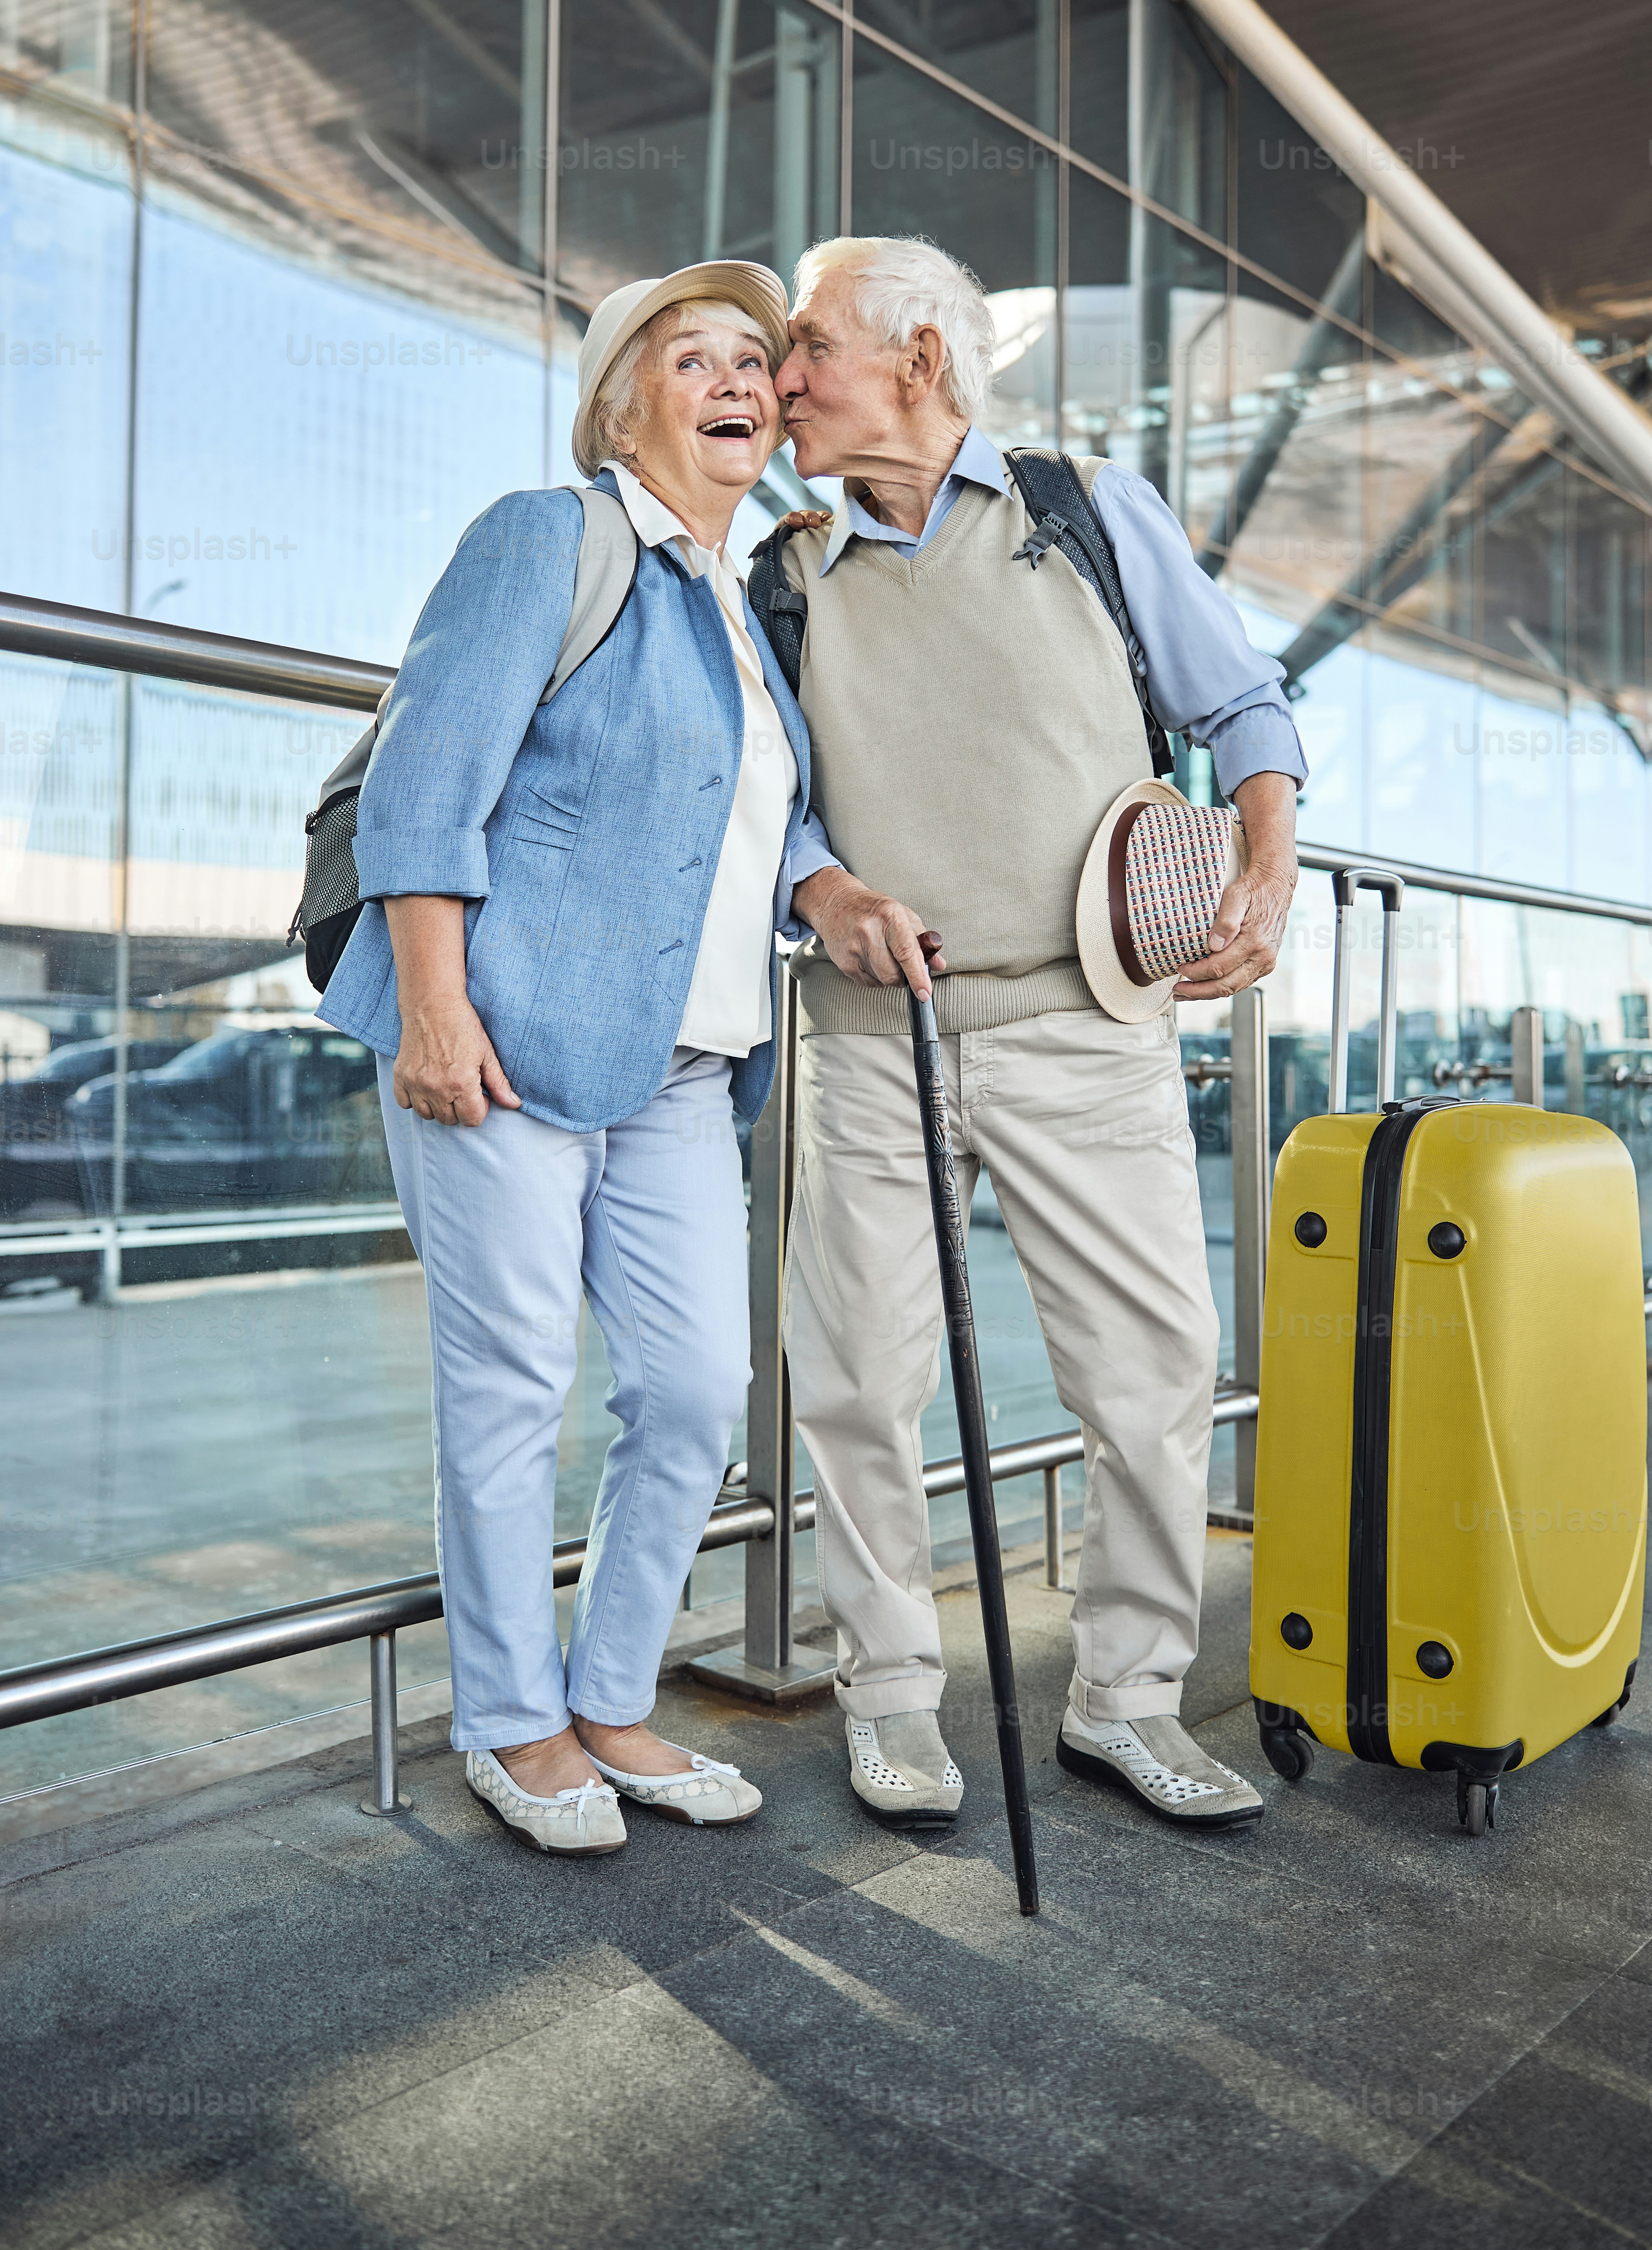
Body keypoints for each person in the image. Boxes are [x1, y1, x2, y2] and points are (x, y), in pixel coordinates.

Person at [775, 235, 1308, 1832]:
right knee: (863, 1386)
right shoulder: (781, 576)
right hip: (875, 1037)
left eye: (806, 347)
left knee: (1153, 1373)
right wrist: (824, 888)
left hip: (1090, 1028)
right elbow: (770, 805)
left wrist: (1265, 870)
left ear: (920, 361)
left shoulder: (1083, 511)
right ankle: (887, 1699)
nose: (779, 378)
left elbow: (1244, 709)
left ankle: (1127, 1699)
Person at [317, 261, 837, 1855]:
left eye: (756, 357)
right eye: (696, 358)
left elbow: (751, 821)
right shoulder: (548, 538)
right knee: (511, 1385)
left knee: (695, 1390)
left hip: (683, 1068)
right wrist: (432, 1009)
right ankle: (509, 1720)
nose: (738, 378)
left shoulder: (741, 608)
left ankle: (613, 1697)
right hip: (508, 1039)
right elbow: (427, 780)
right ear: (623, 401)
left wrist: (828, 881)